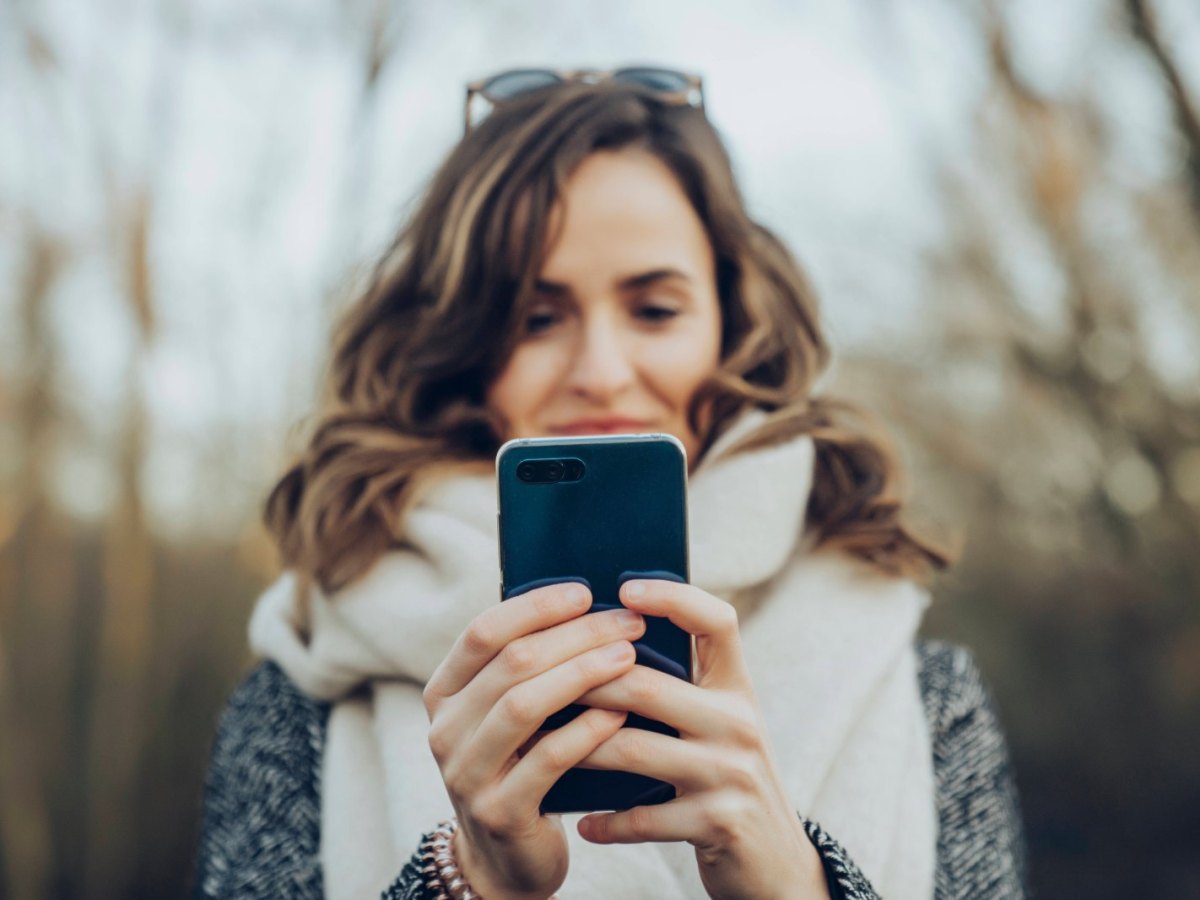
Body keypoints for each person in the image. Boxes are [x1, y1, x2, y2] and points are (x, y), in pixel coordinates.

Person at [194, 68, 1028, 899]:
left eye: (655, 310)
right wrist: (467, 884)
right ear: (464, 351)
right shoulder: (302, 698)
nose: (599, 372)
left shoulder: (920, 689)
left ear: (732, 329)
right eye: (536, 317)